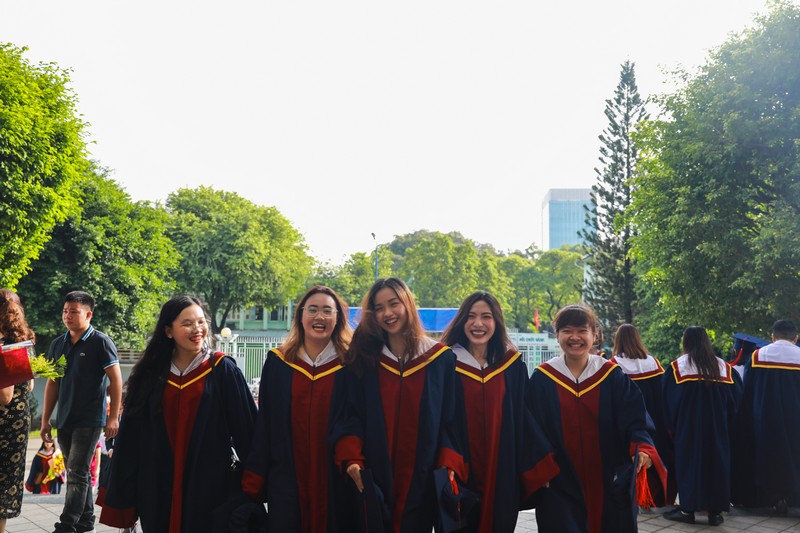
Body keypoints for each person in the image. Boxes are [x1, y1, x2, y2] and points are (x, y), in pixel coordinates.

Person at [99, 295, 257, 532]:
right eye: (187, 323)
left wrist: (256, 483)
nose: (197, 329)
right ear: (168, 331)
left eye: (201, 322)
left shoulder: (222, 370)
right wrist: (124, 493)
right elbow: (131, 439)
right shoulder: (150, 376)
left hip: (210, 485)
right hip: (156, 484)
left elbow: (248, 431)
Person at [333, 277, 467, 533]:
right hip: (372, 478)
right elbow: (350, 415)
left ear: (408, 304)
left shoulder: (439, 360)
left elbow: (451, 420)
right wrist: (352, 460)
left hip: (422, 479)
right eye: (379, 308)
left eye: (393, 304)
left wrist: (448, 464)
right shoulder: (364, 359)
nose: (387, 313)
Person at [527, 304, 666, 533]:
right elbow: (531, 428)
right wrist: (540, 465)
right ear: (557, 335)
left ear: (595, 335)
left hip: (609, 478)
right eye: (567, 331)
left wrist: (641, 447)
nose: (575, 337)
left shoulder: (611, 376)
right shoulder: (543, 378)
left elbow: (635, 418)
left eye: (582, 330)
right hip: (559, 480)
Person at [440, 291, 558, 533]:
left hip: (502, 468)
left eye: (486, 316)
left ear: (496, 322)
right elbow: (439, 418)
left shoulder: (511, 365)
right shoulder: (446, 363)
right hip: (459, 468)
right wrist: (447, 459)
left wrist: (540, 464)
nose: (478, 323)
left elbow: (524, 417)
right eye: (471, 316)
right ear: (462, 321)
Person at [242, 285, 354, 532]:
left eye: (327, 310)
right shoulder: (279, 363)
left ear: (338, 318)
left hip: (335, 481)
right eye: (312, 309)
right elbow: (266, 424)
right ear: (300, 316)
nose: (319, 316)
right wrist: (254, 479)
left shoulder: (350, 366)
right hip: (287, 479)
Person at [40, 290, 122, 533]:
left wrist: (113, 417)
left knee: (76, 471)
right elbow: (53, 383)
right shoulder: (58, 344)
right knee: (78, 471)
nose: (67, 315)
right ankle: (86, 521)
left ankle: (66, 524)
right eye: (65, 311)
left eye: (74, 312)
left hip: (90, 419)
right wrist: (45, 420)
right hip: (65, 417)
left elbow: (116, 380)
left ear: (88, 314)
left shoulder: (101, 342)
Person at [663, 326, 742, 526]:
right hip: (718, 429)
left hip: (688, 429)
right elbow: (735, 403)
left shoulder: (677, 368)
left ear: (686, 342)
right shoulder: (724, 368)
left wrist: (672, 426)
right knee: (717, 465)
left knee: (690, 464)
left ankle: (687, 510)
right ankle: (715, 513)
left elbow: (667, 402)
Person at [732, 319, 800, 514]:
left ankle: (772, 497)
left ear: (773, 336)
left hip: (766, 420)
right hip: (796, 422)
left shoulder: (758, 356)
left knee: (768, 458)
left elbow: (748, 391)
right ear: (795, 338)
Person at [610, 323, 675, 506]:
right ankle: (654, 498)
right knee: (653, 456)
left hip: (629, 422)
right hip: (654, 419)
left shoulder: (614, 365)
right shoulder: (653, 363)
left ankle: (634, 498)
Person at [0, 289, 36, 533]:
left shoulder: (4, 345)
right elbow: (29, 386)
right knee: (4, 483)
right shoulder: (21, 342)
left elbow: (5, 396)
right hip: (19, 421)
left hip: (4, 422)